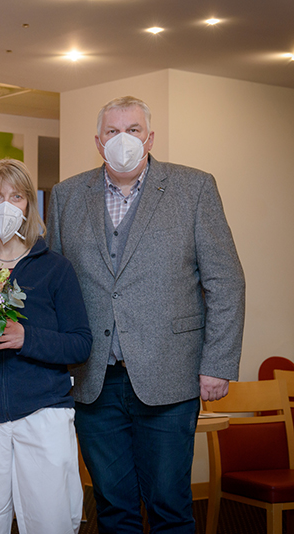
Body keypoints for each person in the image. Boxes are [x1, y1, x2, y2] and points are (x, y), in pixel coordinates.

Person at [46, 96, 246, 533]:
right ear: (98, 142)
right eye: (113, 132)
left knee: (170, 508)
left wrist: (217, 364)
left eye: (133, 130)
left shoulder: (194, 188)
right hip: (92, 379)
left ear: (150, 137)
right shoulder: (65, 196)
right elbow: (53, 289)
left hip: (170, 376)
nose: (123, 140)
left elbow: (226, 282)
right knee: (113, 509)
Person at [0, 158, 92, 534]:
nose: (6, 205)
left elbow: (80, 344)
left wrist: (26, 338)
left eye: (16, 196)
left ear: (29, 206)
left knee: (51, 523)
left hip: (42, 415)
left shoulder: (55, 269)